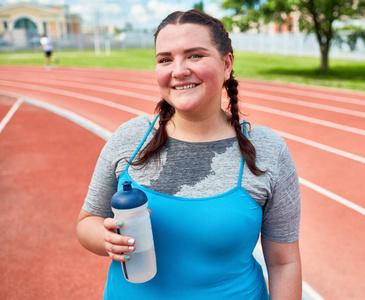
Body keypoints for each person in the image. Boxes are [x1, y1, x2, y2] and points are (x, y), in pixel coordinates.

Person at [76, 9, 302, 300]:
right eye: (165, 59)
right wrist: (106, 239)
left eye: (195, 55)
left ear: (227, 64)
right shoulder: (129, 138)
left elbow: (284, 262)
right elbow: (87, 222)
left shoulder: (268, 149)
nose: (179, 70)